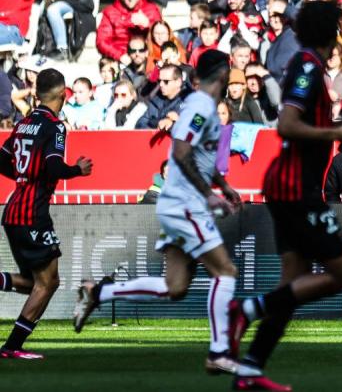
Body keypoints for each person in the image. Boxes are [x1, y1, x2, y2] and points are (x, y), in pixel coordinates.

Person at [73, 50, 243, 376]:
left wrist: (224, 186)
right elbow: (180, 152)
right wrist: (208, 194)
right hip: (185, 204)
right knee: (225, 272)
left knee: (175, 287)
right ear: (222, 74)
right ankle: (219, 352)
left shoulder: (199, 106)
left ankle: (99, 292)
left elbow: (201, 156)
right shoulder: (200, 107)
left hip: (179, 202)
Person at [226, 1, 342, 391]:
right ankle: (247, 308)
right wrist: (338, 133)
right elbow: (287, 125)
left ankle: (251, 370)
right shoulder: (306, 66)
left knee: (293, 282)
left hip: (292, 185)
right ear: (332, 33)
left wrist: (336, 126)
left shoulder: (310, 66)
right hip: (295, 188)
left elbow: (304, 123)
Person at [0, 68, 93, 359]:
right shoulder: (55, 127)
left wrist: (23, 174)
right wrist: (77, 170)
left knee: (35, 281)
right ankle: (13, 347)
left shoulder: (24, 122)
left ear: (36, 93)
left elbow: (2, 159)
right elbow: (53, 166)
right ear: (64, 94)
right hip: (32, 213)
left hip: (13, 210)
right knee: (48, 282)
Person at [96, 0, 162, 63]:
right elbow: (102, 41)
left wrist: (148, 25)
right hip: (120, 58)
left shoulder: (151, 10)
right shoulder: (110, 12)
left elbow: (163, 37)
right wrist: (120, 55)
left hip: (146, 57)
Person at [135, 65, 191, 130]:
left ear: (178, 82)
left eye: (166, 81)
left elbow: (197, 127)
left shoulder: (191, 100)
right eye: (159, 81)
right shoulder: (156, 100)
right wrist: (155, 129)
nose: (161, 84)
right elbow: (140, 123)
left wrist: (177, 123)